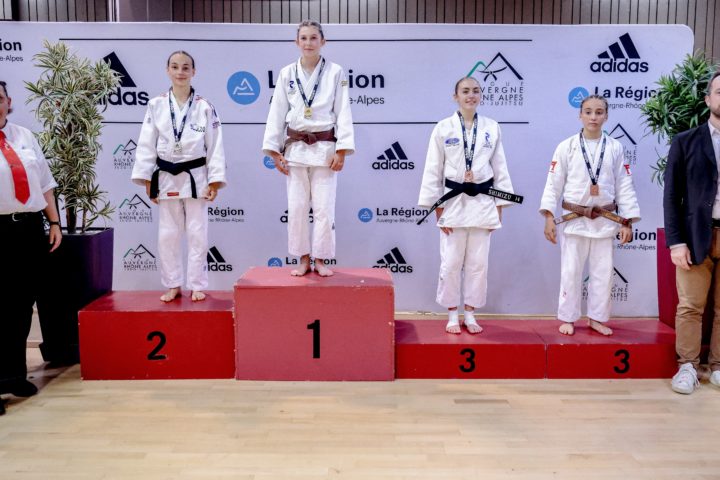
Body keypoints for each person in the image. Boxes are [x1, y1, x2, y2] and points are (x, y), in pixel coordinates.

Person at [418, 77, 518, 334]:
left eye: (475, 91)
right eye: (465, 91)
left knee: (478, 263)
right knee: (451, 261)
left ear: (480, 95)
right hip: (453, 201)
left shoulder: (492, 127)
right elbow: (433, 169)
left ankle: (471, 313)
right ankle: (452, 313)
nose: (470, 95)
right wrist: (437, 208)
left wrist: (499, 206)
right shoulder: (443, 128)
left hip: (483, 202)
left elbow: (500, 168)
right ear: (456, 96)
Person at [540, 94, 640, 336]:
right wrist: (549, 216)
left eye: (598, 112)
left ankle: (597, 318)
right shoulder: (566, 146)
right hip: (574, 219)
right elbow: (553, 184)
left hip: (605, 221)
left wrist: (627, 221)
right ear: (580, 115)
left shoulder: (615, 147)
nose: (593, 117)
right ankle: (568, 317)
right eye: (588, 112)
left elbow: (624, 185)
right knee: (570, 272)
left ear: (606, 116)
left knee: (603, 274)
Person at [132, 51, 226, 302]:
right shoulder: (156, 105)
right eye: (175, 67)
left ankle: (196, 284)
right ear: (168, 70)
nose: (180, 72)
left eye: (185, 67)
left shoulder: (205, 106)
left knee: (198, 233)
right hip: (165, 175)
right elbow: (146, 144)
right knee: (168, 235)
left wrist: (215, 181)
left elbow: (215, 146)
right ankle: (172, 283)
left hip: (196, 175)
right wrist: (147, 179)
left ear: (194, 72)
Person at [262, 20, 354, 277]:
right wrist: (274, 150)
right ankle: (303, 258)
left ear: (323, 41)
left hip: (325, 148)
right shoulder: (286, 73)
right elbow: (277, 111)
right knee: (297, 207)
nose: (309, 43)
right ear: (297, 42)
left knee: (324, 208)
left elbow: (343, 111)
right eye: (304, 38)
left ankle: (321, 258)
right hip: (296, 149)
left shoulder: (335, 72)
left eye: (314, 38)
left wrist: (342, 150)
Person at [0, 80, 62, 400]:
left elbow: (46, 184)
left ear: (8, 101)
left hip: (27, 228)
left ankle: (14, 376)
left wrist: (54, 221)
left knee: (21, 305)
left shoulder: (24, 136)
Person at [663, 70, 720, 394]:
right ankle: (687, 366)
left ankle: (718, 366)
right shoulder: (685, 141)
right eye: (719, 92)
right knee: (690, 306)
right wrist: (676, 242)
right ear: (708, 99)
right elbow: (672, 196)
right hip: (696, 236)